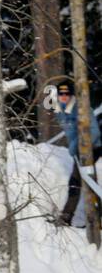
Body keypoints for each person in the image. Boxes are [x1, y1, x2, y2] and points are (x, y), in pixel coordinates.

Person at [51, 77, 100, 227]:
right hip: (79, 150)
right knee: (81, 182)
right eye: (61, 94)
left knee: (82, 182)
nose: (64, 96)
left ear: (72, 94)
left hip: (92, 149)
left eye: (67, 94)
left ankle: (74, 217)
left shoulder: (81, 108)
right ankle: (70, 217)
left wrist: (78, 147)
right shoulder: (60, 109)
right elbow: (70, 131)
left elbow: (94, 132)